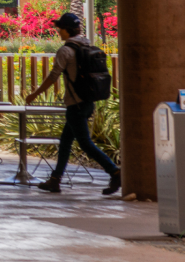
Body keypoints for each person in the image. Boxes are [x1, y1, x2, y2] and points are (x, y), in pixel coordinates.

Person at [25, 13, 121, 195]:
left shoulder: (65, 51)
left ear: (66, 30)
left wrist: (35, 94)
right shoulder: (87, 44)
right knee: (66, 142)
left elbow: (53, 76)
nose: (58, 31)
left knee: (85, 143)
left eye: (60, 28)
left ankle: (115, 171)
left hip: (75, 104)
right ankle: (55, 180)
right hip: (87, 101)